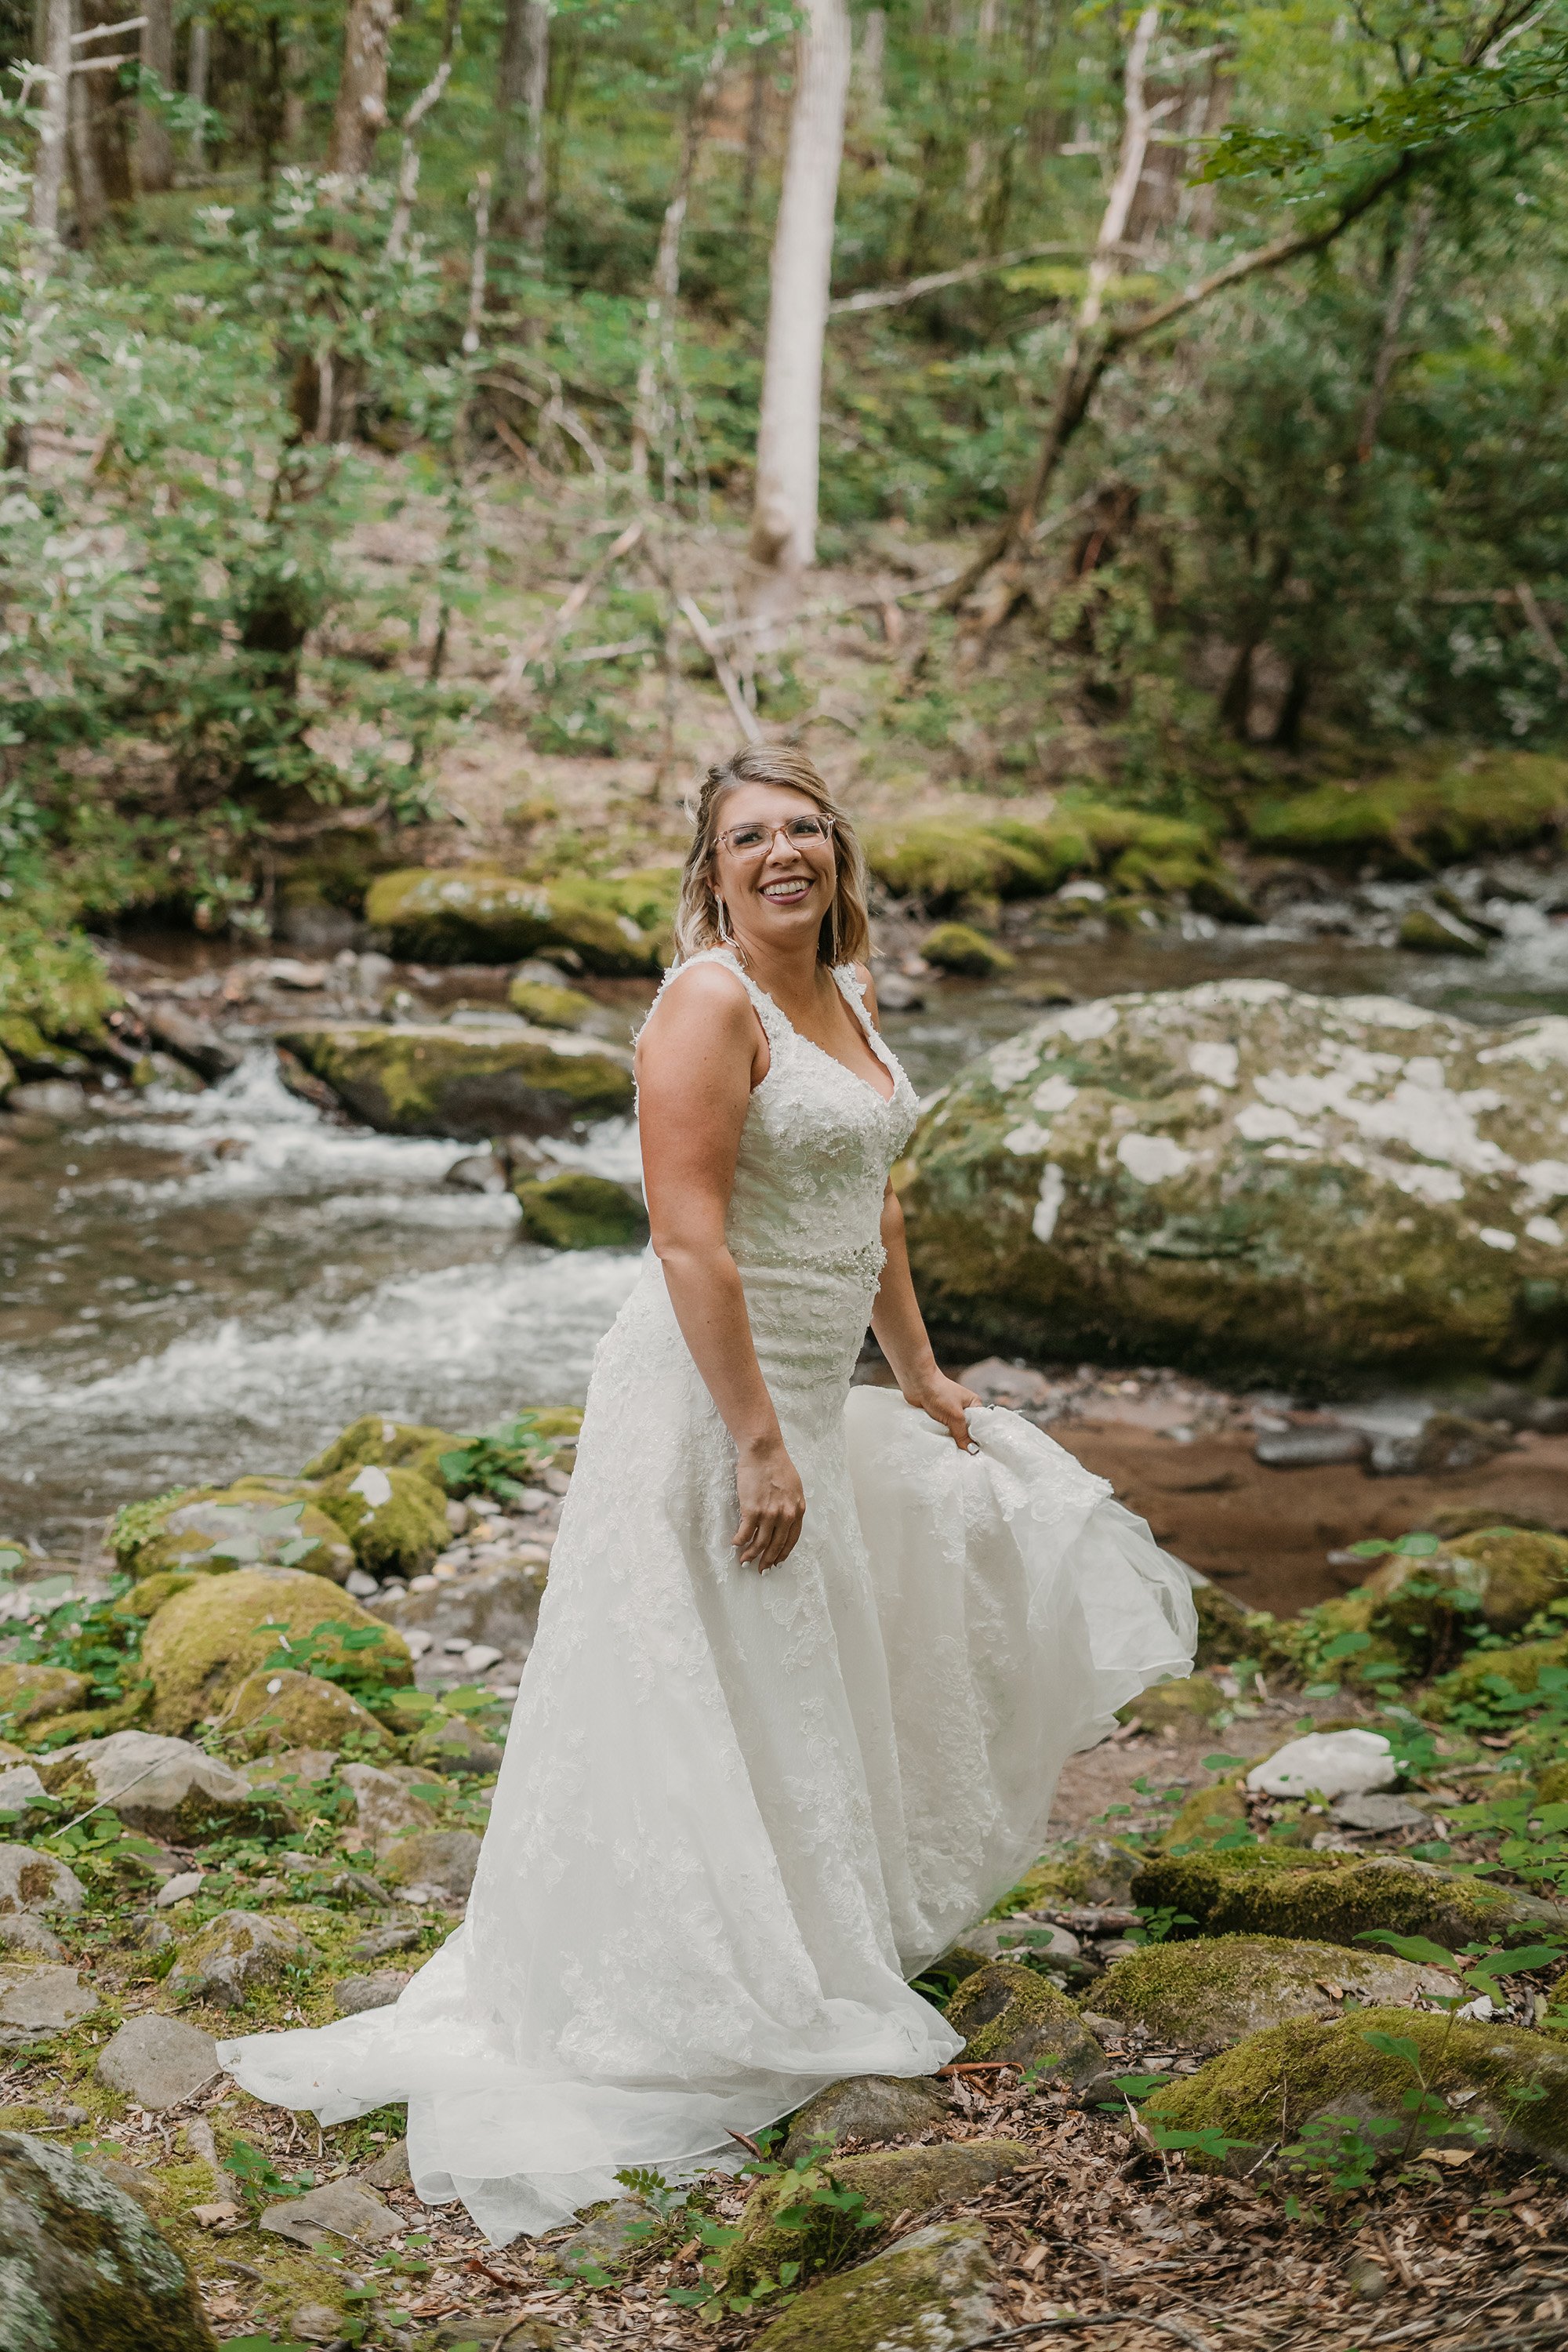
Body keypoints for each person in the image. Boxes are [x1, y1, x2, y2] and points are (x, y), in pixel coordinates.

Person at [220, 743, 1196, 2245]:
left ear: (838, 853)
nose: (786, 853)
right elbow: (691, 1242)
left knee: (797, 1665)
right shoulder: (706, 1001)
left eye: (807, 829)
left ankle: (807, 1935)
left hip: (811, 1379)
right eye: (754, 837)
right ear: (713, 867)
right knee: (694, 1663)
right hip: (704, 1393)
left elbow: (872, 1202)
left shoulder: (849, 998)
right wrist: (755, 1439)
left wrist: (920, 1377)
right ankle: (679, 1970)